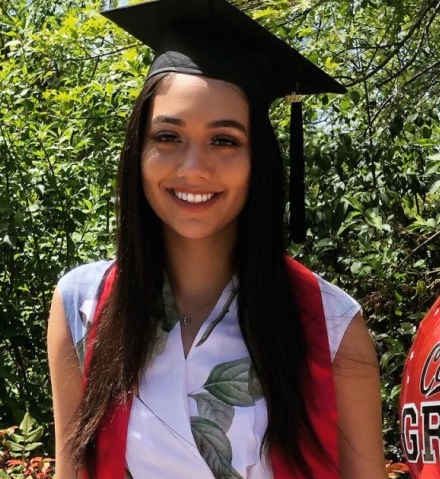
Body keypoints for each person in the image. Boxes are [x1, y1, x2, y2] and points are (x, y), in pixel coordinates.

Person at [47, 1, 386, 477]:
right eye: (168, 136)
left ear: (258, 161)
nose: (193, 168)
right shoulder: (83, 306)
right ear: (138, 151)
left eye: (224, 140)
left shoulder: (329, 326)